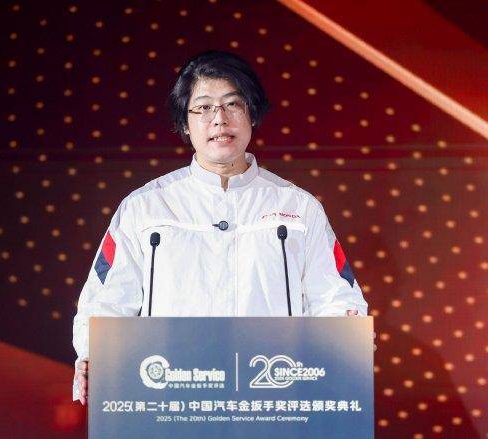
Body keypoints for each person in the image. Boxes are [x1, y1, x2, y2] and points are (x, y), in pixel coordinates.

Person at [72, 51, 368, 404]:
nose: (220, 119)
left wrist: (347, 342)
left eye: (232, 104)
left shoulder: (299, 208)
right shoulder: (144, 208)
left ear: (251, 114)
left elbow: (337, 298)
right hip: (170, 399)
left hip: (273, 397)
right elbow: (105, 303)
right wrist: (92, 356)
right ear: (185, 122)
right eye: (204, 107)